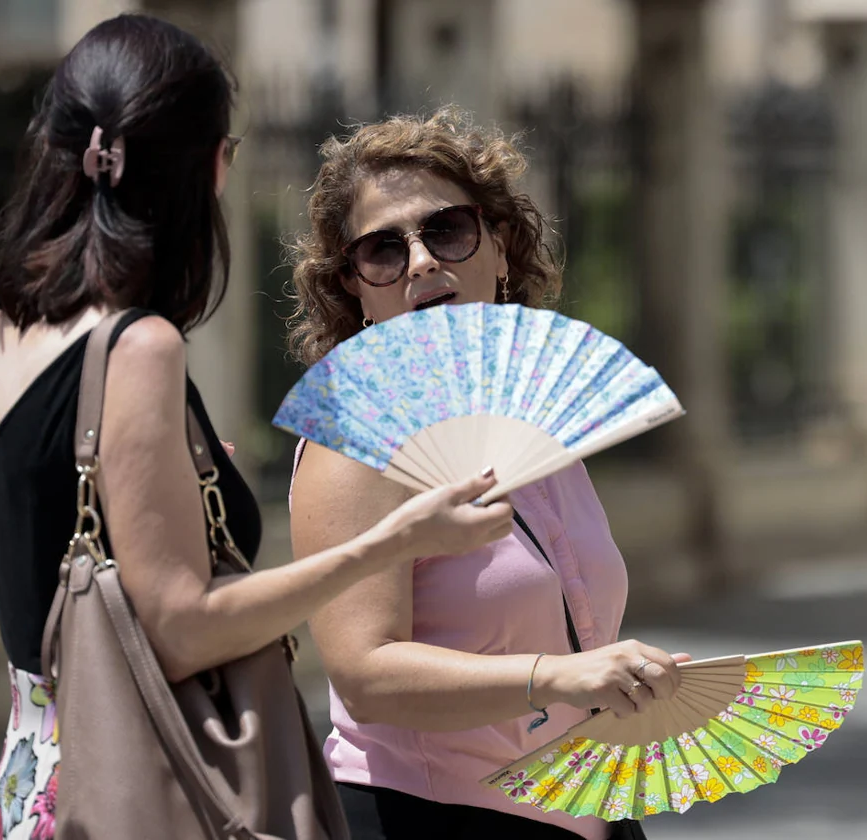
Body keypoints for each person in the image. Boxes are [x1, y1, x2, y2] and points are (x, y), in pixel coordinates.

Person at [0, 19, 512, 839]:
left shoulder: (3, 328)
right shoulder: (136, 346)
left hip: (38, 774)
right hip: (143, 779)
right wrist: (390, 542)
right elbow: (181, 630)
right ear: (207, 166)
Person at [286, 108, 690, 840]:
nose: (419, 262)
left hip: (592, 810)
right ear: (354, 287)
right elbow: (365, 675)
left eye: (446, 230)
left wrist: (623, 681)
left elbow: (574, 635)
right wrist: (555, 677)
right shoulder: (358, 429)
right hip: (428, 818)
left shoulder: (533, 414)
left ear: (501, 249)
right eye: (382, 250)